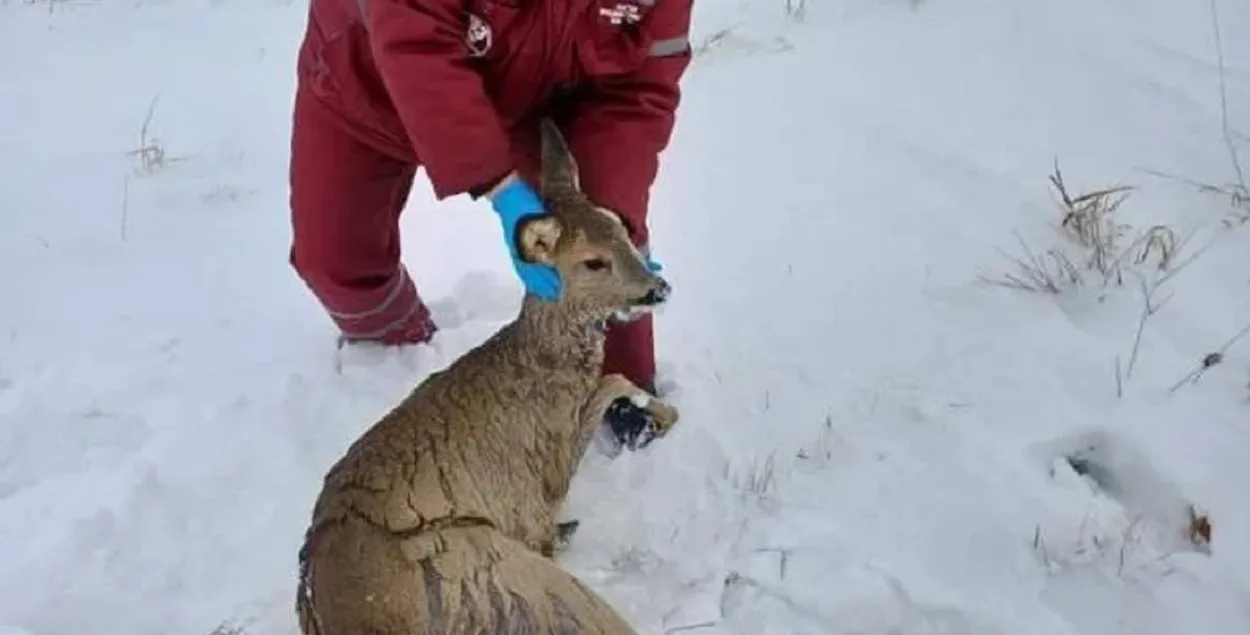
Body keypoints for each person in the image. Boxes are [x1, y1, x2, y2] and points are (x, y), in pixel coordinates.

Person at [287, 0, 693, 447]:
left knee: (600, 238)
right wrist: (501, 187)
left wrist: (611, 216)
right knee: (333, 258)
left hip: (529, 101)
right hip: (365, 91)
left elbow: (638, 92)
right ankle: (392, 348)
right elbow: (415, 42)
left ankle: (619, 386)